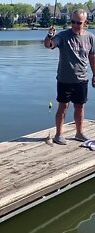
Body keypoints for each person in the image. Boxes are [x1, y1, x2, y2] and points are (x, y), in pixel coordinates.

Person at [44, 9, 95, 145]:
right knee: (63, 106)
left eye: (79, 22)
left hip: (81, 79)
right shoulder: (63, 36)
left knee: (80, 106)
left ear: (85, 22)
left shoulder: (90, 37)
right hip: (64, 79)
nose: (75, 25)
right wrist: (49, 36)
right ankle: (58, 135)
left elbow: (92, 56)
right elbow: (49, 45)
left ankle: (79, 133)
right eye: (73, 22)